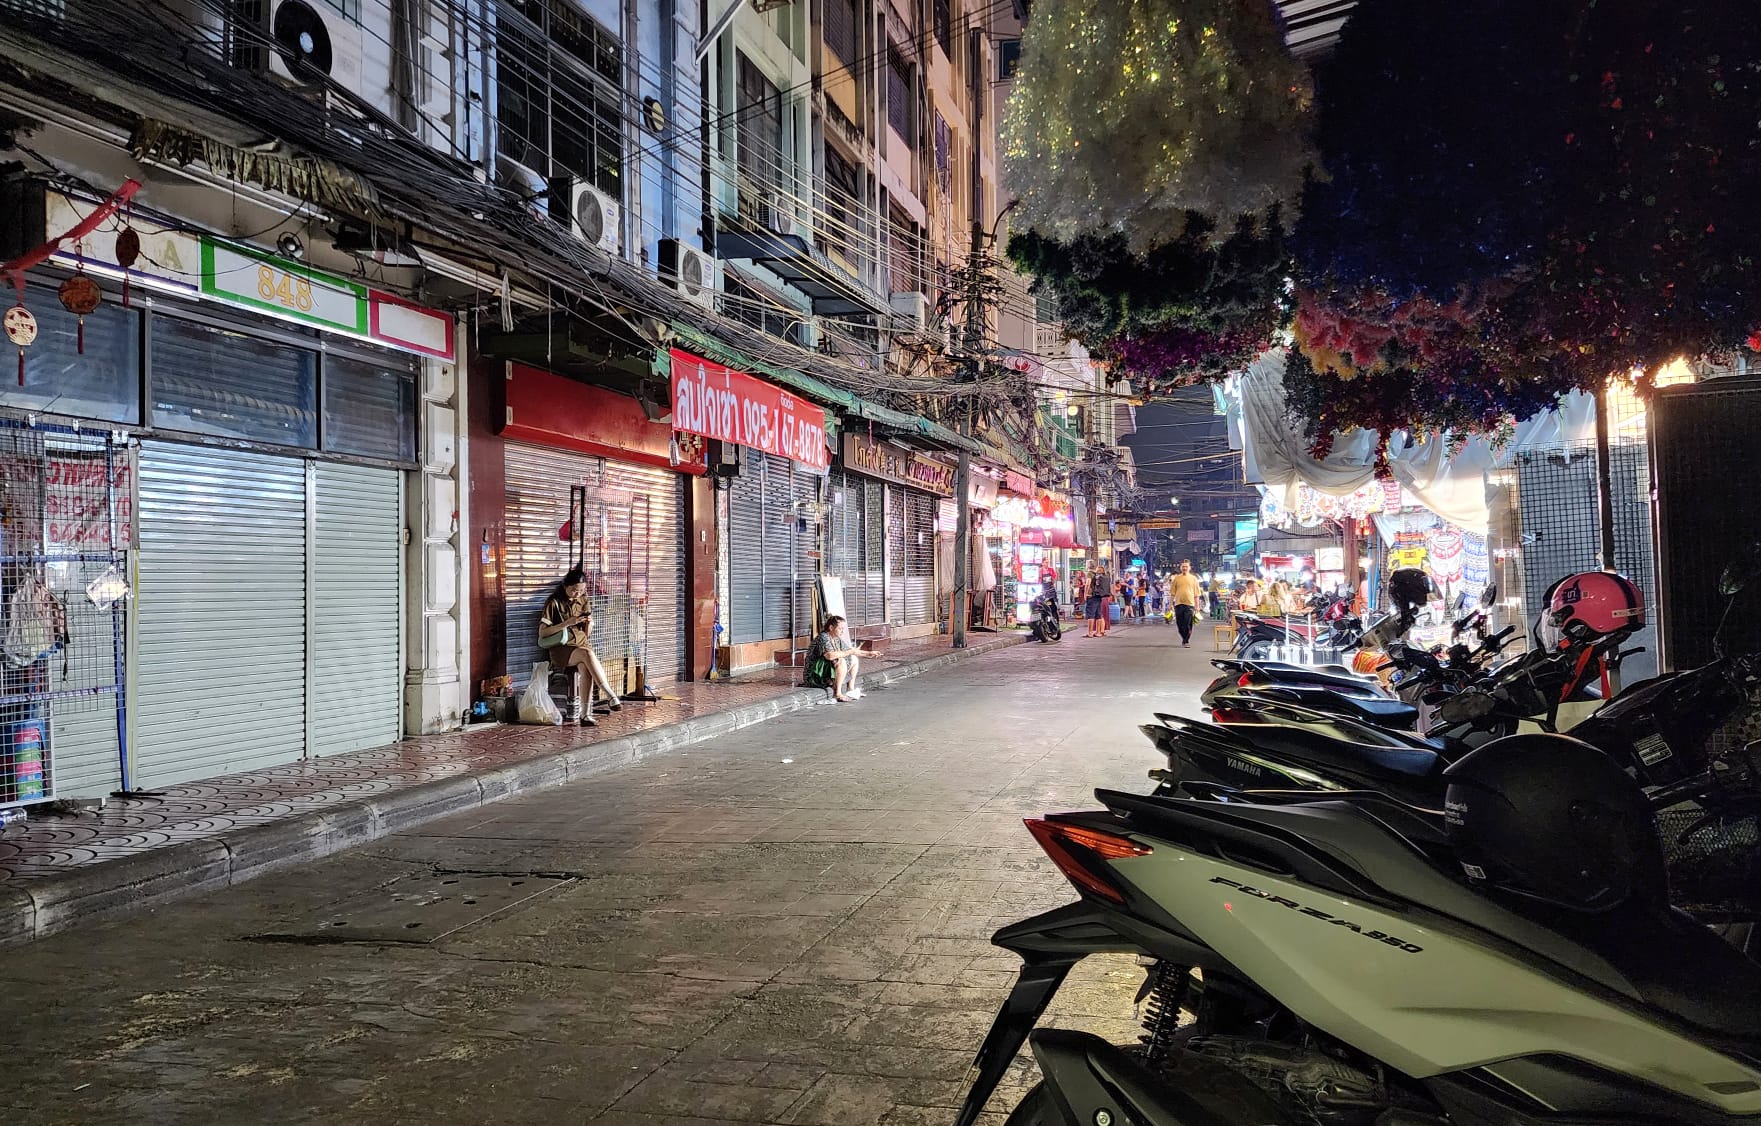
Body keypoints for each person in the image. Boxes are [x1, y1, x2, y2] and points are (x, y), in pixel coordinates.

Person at [539, 568, 622, 726]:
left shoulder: (584, 600)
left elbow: (586, 633)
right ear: (565, 586)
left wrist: (590, 624)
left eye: (581, 590)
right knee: (587, 655)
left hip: (581, 644)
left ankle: (585, 715)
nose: (577, 594)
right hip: (562, 648)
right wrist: (566, 623)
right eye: (574, 590)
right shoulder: (554, 602)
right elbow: (542, 633)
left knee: (585, 667)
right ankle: (610, 694)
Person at [805, 614, 862, 701]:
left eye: (843, 629)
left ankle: (850, 689)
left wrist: (869, 653)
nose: (842, 631)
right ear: (831, 628)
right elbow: (830, 656)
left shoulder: (836, 638)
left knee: (854, 659)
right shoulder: (823, 637)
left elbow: (850, 650)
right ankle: (837, 693)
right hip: (814, 675)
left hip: (825, 671)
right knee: (840, 661)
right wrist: (850, 652)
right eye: (840, 628)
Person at [1170, 559, 1202, 647]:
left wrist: (1197, 606)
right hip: (1178, 604)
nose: (1184, 568)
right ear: (1180, 568)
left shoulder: (1193, 579)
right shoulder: (1176, 578)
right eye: (1183, 566)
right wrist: (1170, 605)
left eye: (1186, 566)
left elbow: (1197, 594)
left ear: (1189, 568)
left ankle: (1186, 640)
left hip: (1190, 604)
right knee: (1180, 624)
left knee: (1188, 623)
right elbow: (1172, 593)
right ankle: (1184, 637)